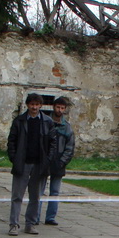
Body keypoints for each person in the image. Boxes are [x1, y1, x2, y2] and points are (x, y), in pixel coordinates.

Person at [7, 92, 57, 236]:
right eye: (32, 104)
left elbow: (52, 143)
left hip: (39, 164)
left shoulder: (47, 122)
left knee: (35, 197)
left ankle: (30, 224)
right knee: (17, 196)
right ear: (27, 105)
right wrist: (14, 158)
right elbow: (12, 141)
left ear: (40, 105)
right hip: (22, 163)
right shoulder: (19, 121)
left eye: (37, 105)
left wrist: (48, 160)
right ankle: (13, 224)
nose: (34, 107)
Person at [37, 97, 75, 226]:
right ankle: (35, 216)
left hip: (58, 163)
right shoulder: (46, 122)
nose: (60, 110)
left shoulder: (67, 127)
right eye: (58, 107)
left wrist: (62, 162)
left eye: (62, 108)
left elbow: (70, 148)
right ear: (54, 107)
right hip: (45, 161)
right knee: (40, 191)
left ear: (65, 109)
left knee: (55, 192)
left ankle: (50, 217)